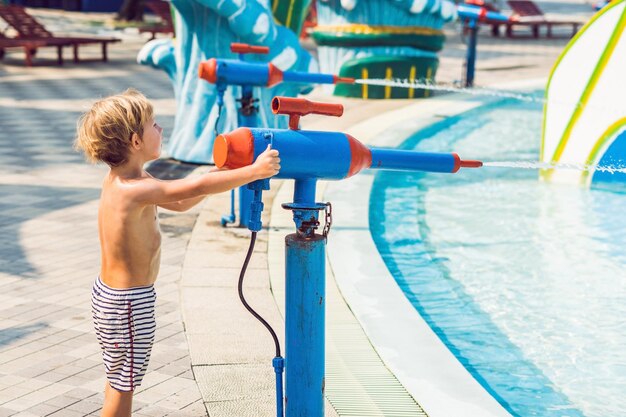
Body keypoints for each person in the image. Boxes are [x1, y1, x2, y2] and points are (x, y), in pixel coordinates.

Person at [74, 88, 280, 417]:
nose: (161, 129)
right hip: (127, 304)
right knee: (122, 385)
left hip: (118, 298)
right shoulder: (134, 189)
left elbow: (181, 201)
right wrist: (254, 171)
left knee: (120, 379)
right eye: (153, 125)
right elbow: (188, 188)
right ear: (135, 142)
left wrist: (223, 173)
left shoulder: (128, 179)